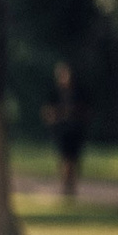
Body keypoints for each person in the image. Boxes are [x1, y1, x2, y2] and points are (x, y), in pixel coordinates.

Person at [44, 61, 87, 200]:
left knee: (73, 159)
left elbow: (86, 110)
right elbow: (48, 112)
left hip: (75, 129)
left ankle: (71, 184)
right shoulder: (54, 93)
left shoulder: (78, 92)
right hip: (62, 129)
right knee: (64, 158)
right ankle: (65, 184)